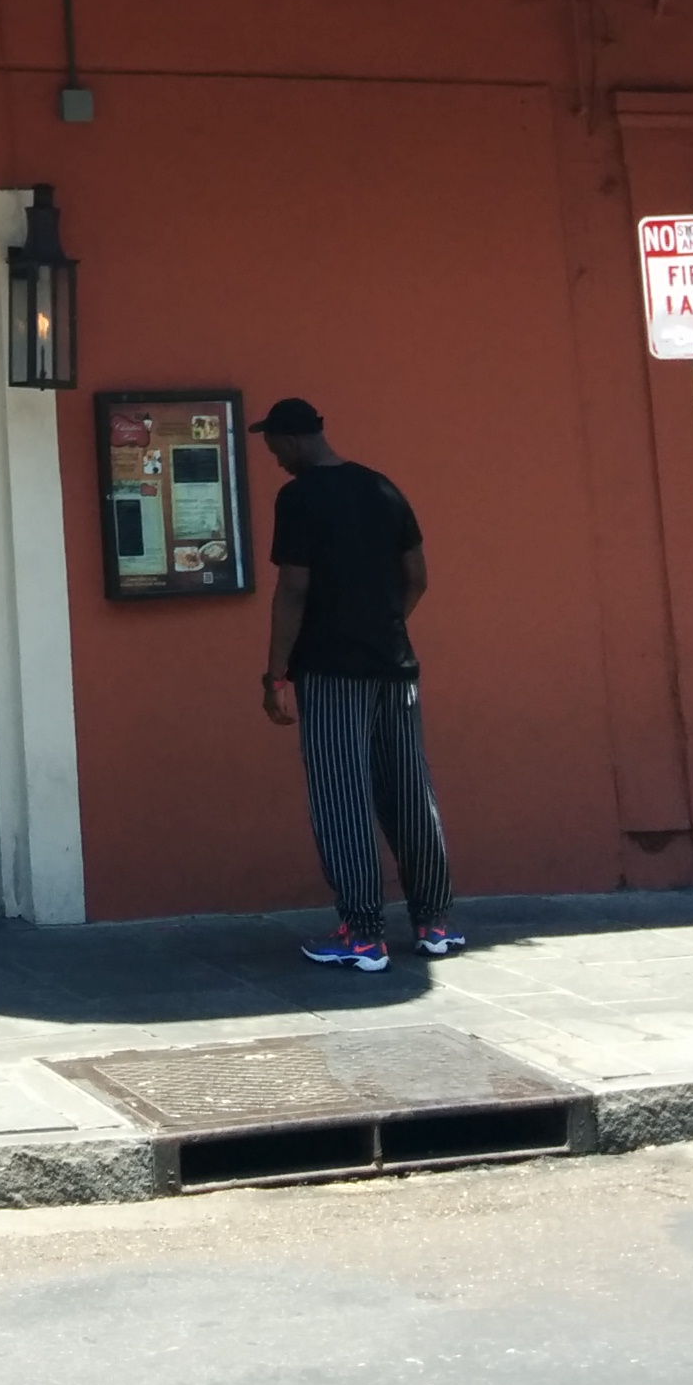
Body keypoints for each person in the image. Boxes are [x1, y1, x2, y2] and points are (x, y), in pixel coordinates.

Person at [256, 395, 459, 973]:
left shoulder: (298, 498)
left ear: (293, 440)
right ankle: (434, 922)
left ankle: (364, 932)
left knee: (340, 794)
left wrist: (275, 674)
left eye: (274, 449)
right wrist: (385, 622)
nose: (275, 461)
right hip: (395, 664)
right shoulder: (383, 489)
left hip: (331, 669)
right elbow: (416, 575)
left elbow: (293, 589)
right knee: (409, 791)